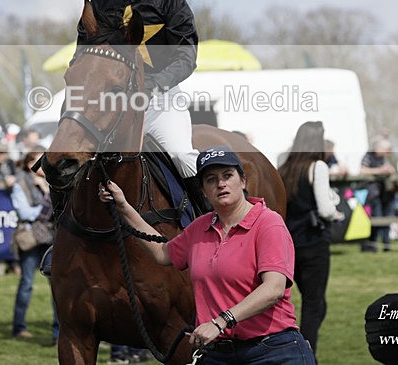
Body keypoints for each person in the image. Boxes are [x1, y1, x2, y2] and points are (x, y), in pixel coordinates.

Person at [99, 145, 315, 364]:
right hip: (218, 354)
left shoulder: (268, 223)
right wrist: (124, 207)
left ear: (243, 181)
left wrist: (221, 322)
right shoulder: (199, 227)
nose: (220, 183)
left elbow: (274, 289)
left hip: (271, 350)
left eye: (227, 175)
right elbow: (162, 253)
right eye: (211, 179)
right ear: (202, 190)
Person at [79, 0, 200, 193]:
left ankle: (206, 222)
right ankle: (61, 225)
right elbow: (84, 57)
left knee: (182, 156)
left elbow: (186, 56)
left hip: (160, 100)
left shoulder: (172, 1)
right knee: (72, 158)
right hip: (110, 103)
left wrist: (154, 83)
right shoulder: (100, 4)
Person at [278, 121, 341, 358]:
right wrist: (337, 213)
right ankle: (306, 356)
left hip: (288, 243)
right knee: (314, 306)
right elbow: (325, 209)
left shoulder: (284, 165)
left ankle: (293, 350)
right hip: (314, 242)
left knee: (293, 303)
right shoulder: (318, 167)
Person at [10, 149, 59, 341]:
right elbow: (26, 213)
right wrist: (48, 197)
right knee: (26, 284)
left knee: (56, 286)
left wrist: (48, 190)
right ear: (30, 163)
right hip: (31, 238)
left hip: (50, 238)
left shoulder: (53, 182)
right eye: (40, 160)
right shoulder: (20, 183)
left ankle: (58, 331)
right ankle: (19, 326)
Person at [359, 138, 396, 252]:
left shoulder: (384, 158)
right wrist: (380, 170)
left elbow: (390, 168)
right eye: (385, 149)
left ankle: (379, 245)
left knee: (382, 220)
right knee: (372, 220)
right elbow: (362, 170)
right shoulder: (368, 156)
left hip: (382, 194)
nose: (387, 151)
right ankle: (369, 246)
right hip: (369, 194)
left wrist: (389, 170)